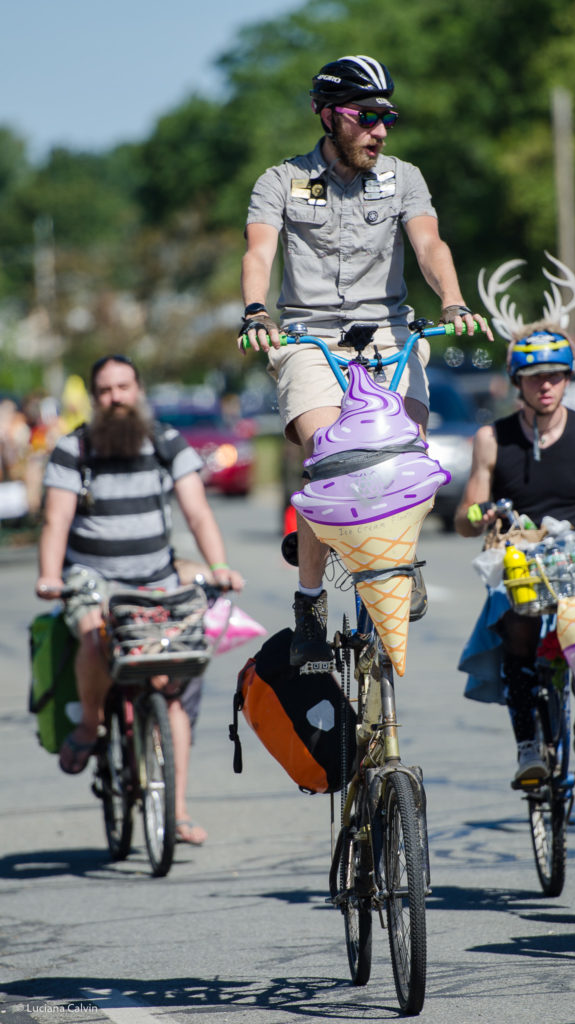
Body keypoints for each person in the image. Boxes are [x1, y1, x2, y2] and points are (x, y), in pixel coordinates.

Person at [239, 53, 492, 665]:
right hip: (307, 338)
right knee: (333, 462)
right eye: (366, 116)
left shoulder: (404, 177)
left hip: (388, 334)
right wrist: (255, 311)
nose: (380, 130)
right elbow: (258, 254)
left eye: (388, 117)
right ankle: (308, 602)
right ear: (328, 115)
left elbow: (429, 244)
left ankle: (404, 561)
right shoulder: (281, 180)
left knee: (408, 456)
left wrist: (454, 300)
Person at [35, 354, 244, 845]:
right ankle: (89, 725)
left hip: (156, 580)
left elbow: (197, 511)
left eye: (124, 387)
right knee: (94, 640)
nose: (117, 398)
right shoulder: (74, 448)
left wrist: (218, 568)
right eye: (106, 390)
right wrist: (49, 576)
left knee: (172, 679)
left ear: (139, 389)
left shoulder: (166, 442)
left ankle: (176, 810)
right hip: (93, 580)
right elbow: (56, 521)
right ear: (94, 398)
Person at [454, 261, 575, 784]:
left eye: (555, 375)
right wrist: (479, 514)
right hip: (522, 564)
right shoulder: (493, 438)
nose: (546, 386)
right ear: (519, 381)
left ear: (567, 377)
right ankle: (528, 745)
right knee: (516, 627)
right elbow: (467, 521)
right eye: (535, 377)